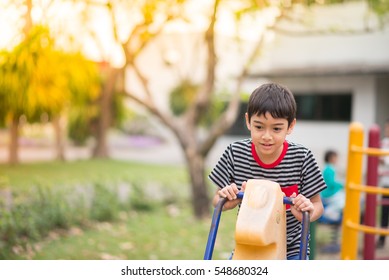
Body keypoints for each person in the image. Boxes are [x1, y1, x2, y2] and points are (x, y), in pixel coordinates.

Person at [209, 82, 326, 260]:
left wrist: (306, 212)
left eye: (277, 128)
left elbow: (317, 206)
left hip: (292, 249)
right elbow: (217, 199)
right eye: (259, 127)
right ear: (248, 121)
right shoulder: (234, 153)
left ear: (291, 126)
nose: (267, 136)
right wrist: (227, 198)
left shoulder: (302, 157)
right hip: (249, 244)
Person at [320, 150, 345, 223]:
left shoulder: (328, 168)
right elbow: (330, 183)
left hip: (328, 192)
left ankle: (333, 213)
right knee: (343, 201)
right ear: (331, 158)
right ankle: (329, 212)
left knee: (342, 197)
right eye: (336, 158)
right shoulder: (329, 169)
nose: (337, 160)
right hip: (328, 193)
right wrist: (341, 185)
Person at [377, 118, 389, 249]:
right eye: (386, 127)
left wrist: (383, 160)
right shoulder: (384, 142)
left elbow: (384, 160)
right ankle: (381, 239)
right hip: (386, 183)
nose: (387, 130)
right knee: (384, 213)